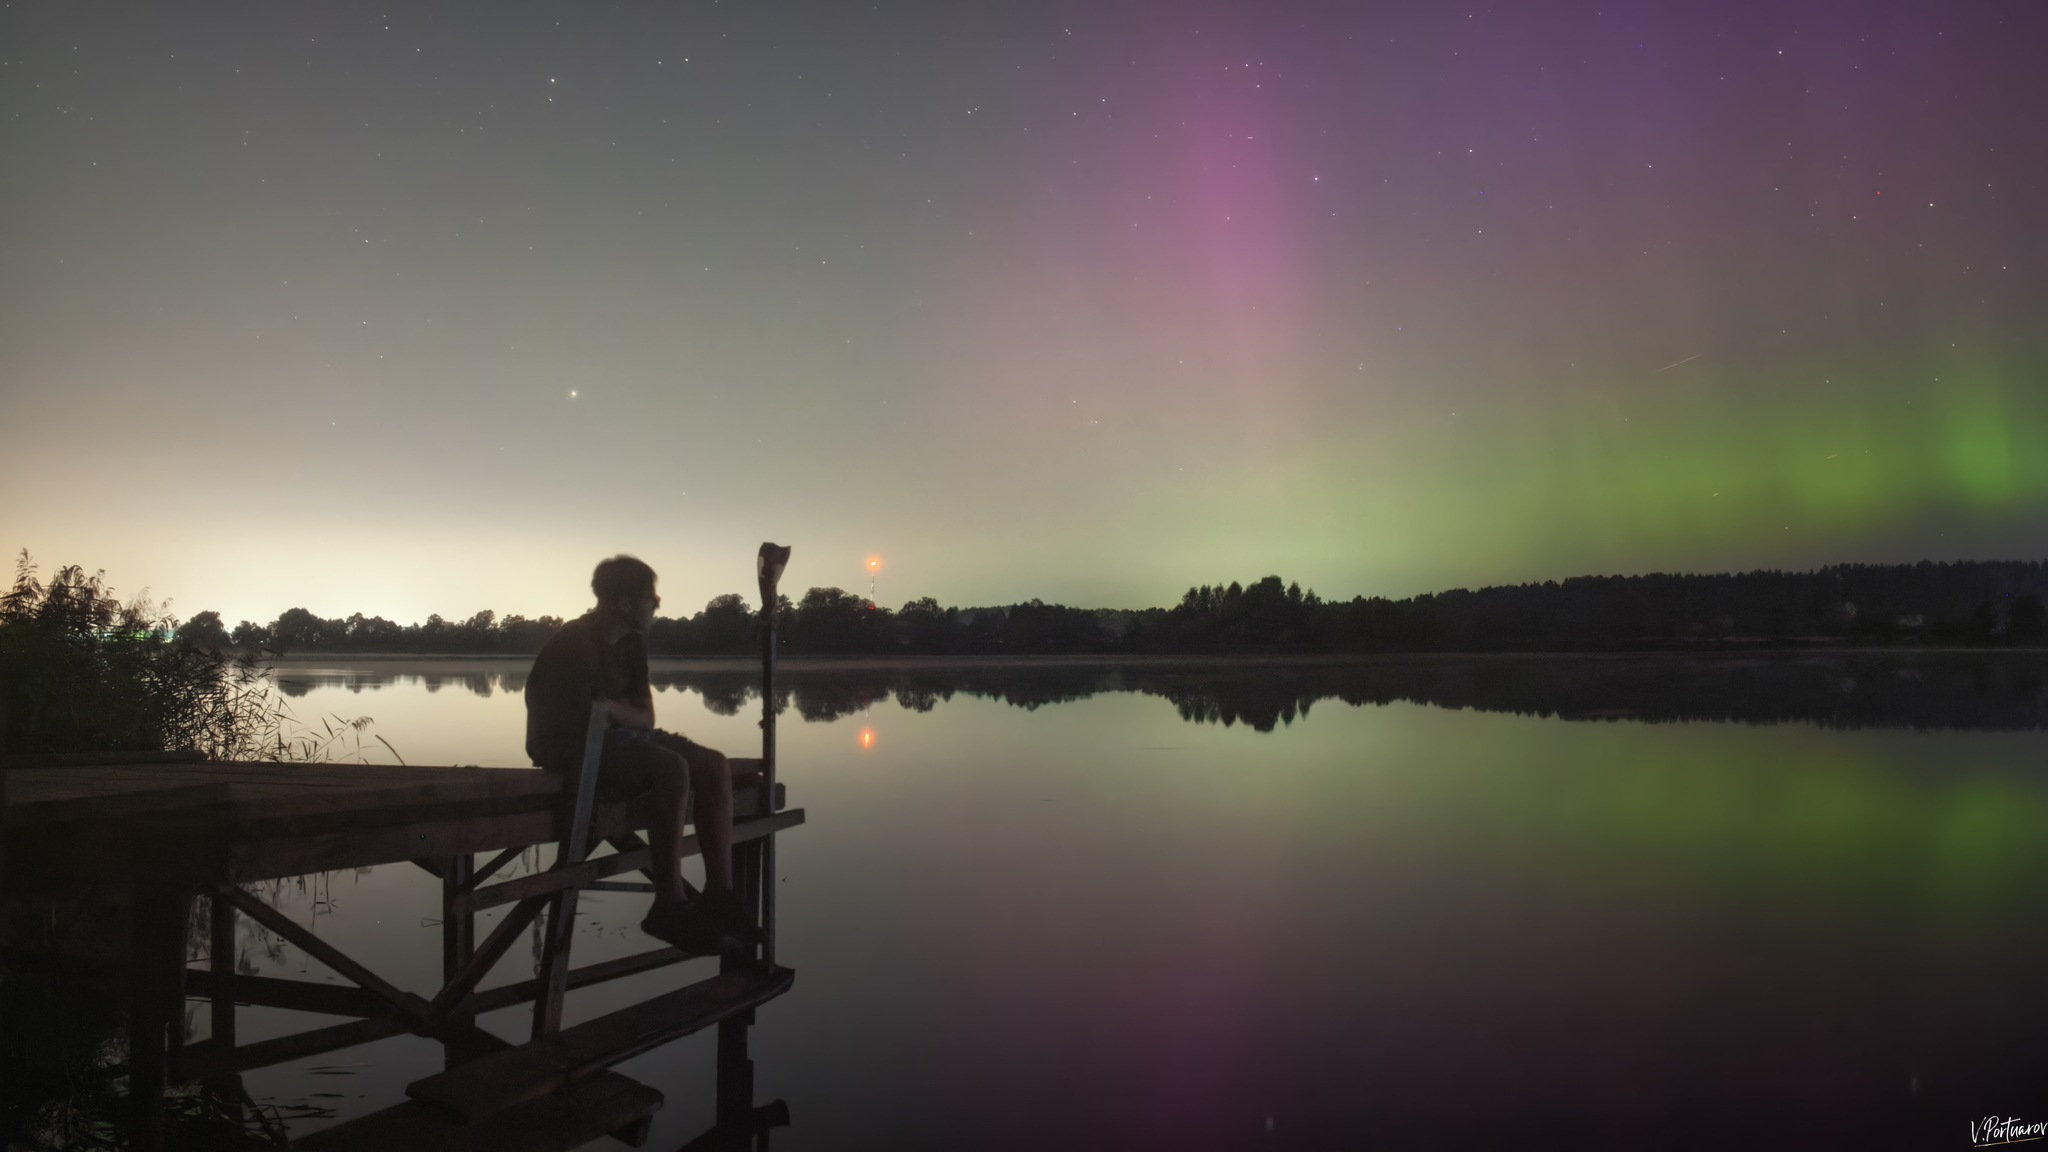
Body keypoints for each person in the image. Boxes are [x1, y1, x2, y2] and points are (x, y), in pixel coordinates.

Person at [524, 554, 762, 954]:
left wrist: (612, 709)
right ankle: (669, 903)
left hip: (616, 735)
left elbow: (645, 718)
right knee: (671, 769)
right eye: (650, 596)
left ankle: (720, 898)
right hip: (567, 745)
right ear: (623, 603)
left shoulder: (632, 645)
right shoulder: (575, 644)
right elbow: (578, 723)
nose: (657, 603)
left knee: (713, 764)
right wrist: (614, 716)